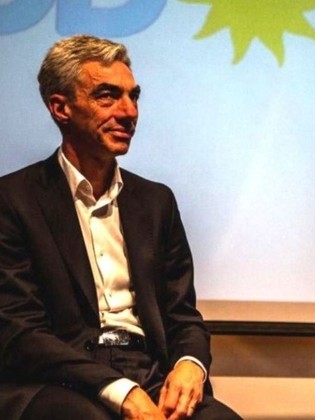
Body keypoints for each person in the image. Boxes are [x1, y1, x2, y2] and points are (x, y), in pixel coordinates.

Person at [0, 35, 241, 420]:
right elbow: (17, 330)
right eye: (107, 96)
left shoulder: (156, 202)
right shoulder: (13, 200)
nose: (129, 112)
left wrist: (191, 364)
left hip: (148, 370)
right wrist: (120, 392)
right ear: (61, 108)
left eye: (134, 96)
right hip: (58, 380)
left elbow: (182, 316)